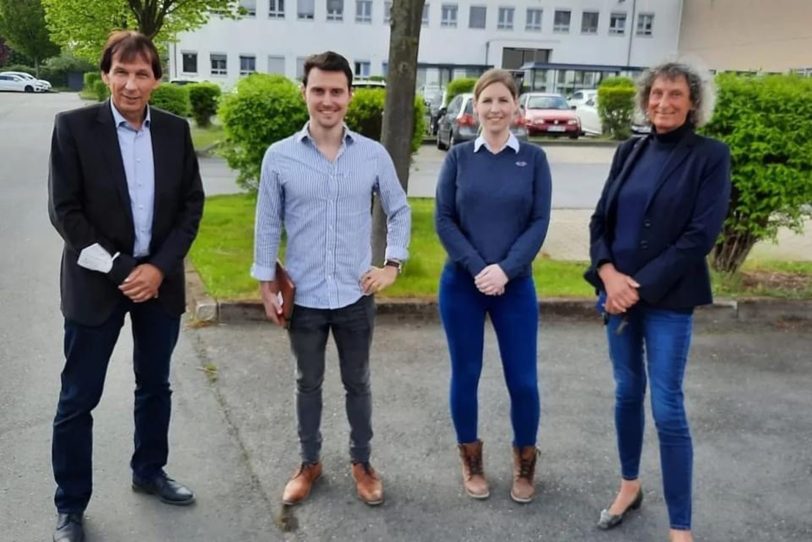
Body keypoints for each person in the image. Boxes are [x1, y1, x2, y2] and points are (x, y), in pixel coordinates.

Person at [47, 31, 204, 542]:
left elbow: (190, 207)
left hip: (159, 284)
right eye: (121, 72)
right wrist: (121, 271)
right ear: (106, 73)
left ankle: (149, 471)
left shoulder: (176, 133)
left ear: (157, 80)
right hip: (96, 284)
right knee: (78, 398)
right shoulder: (73, 128)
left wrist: (157, 268)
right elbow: (65, 212)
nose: (130, 84)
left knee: (155, 385)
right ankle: (71, 505)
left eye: (142, 74)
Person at [251, 51, 411, 507]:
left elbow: (398, 210)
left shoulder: (373, 155)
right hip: (304, 298)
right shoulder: (279, 157)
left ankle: (362, 462)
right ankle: (310, 463)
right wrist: (266, 282)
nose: (327, 100)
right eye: (318, 90)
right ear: (305, 92)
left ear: (350, 96)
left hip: (355, 295)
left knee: (358, 382)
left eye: (336, 91)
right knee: (307, 382)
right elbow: (267, 223)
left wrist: (392, 265)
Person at [584, 61, 731, 542]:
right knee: (627, 392)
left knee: (667, 408)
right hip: (617, 297)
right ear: (646, 99)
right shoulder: (630, 151)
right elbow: (600, 221)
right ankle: (629, 485)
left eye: (675, 95)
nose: (663, 103)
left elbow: (698, 236)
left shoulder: (709, 156)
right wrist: (608, 274)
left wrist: (635, 287)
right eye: (656, 93)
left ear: (692, 104)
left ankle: (680, 528)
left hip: (667, 301)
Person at [435, 69, 552, 503]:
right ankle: (471, 460)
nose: (495, 109)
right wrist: (478, 267)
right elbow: (444, 219)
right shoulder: (460, 157)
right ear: (476, 107)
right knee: (466, 375)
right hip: (462, 285)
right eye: (487, 101)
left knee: (522, 381)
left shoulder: (534, 159)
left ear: (516, 107)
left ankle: (524, 463)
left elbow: (539, 221)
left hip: (515, 286)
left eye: (504, 100)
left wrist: (505, 269)